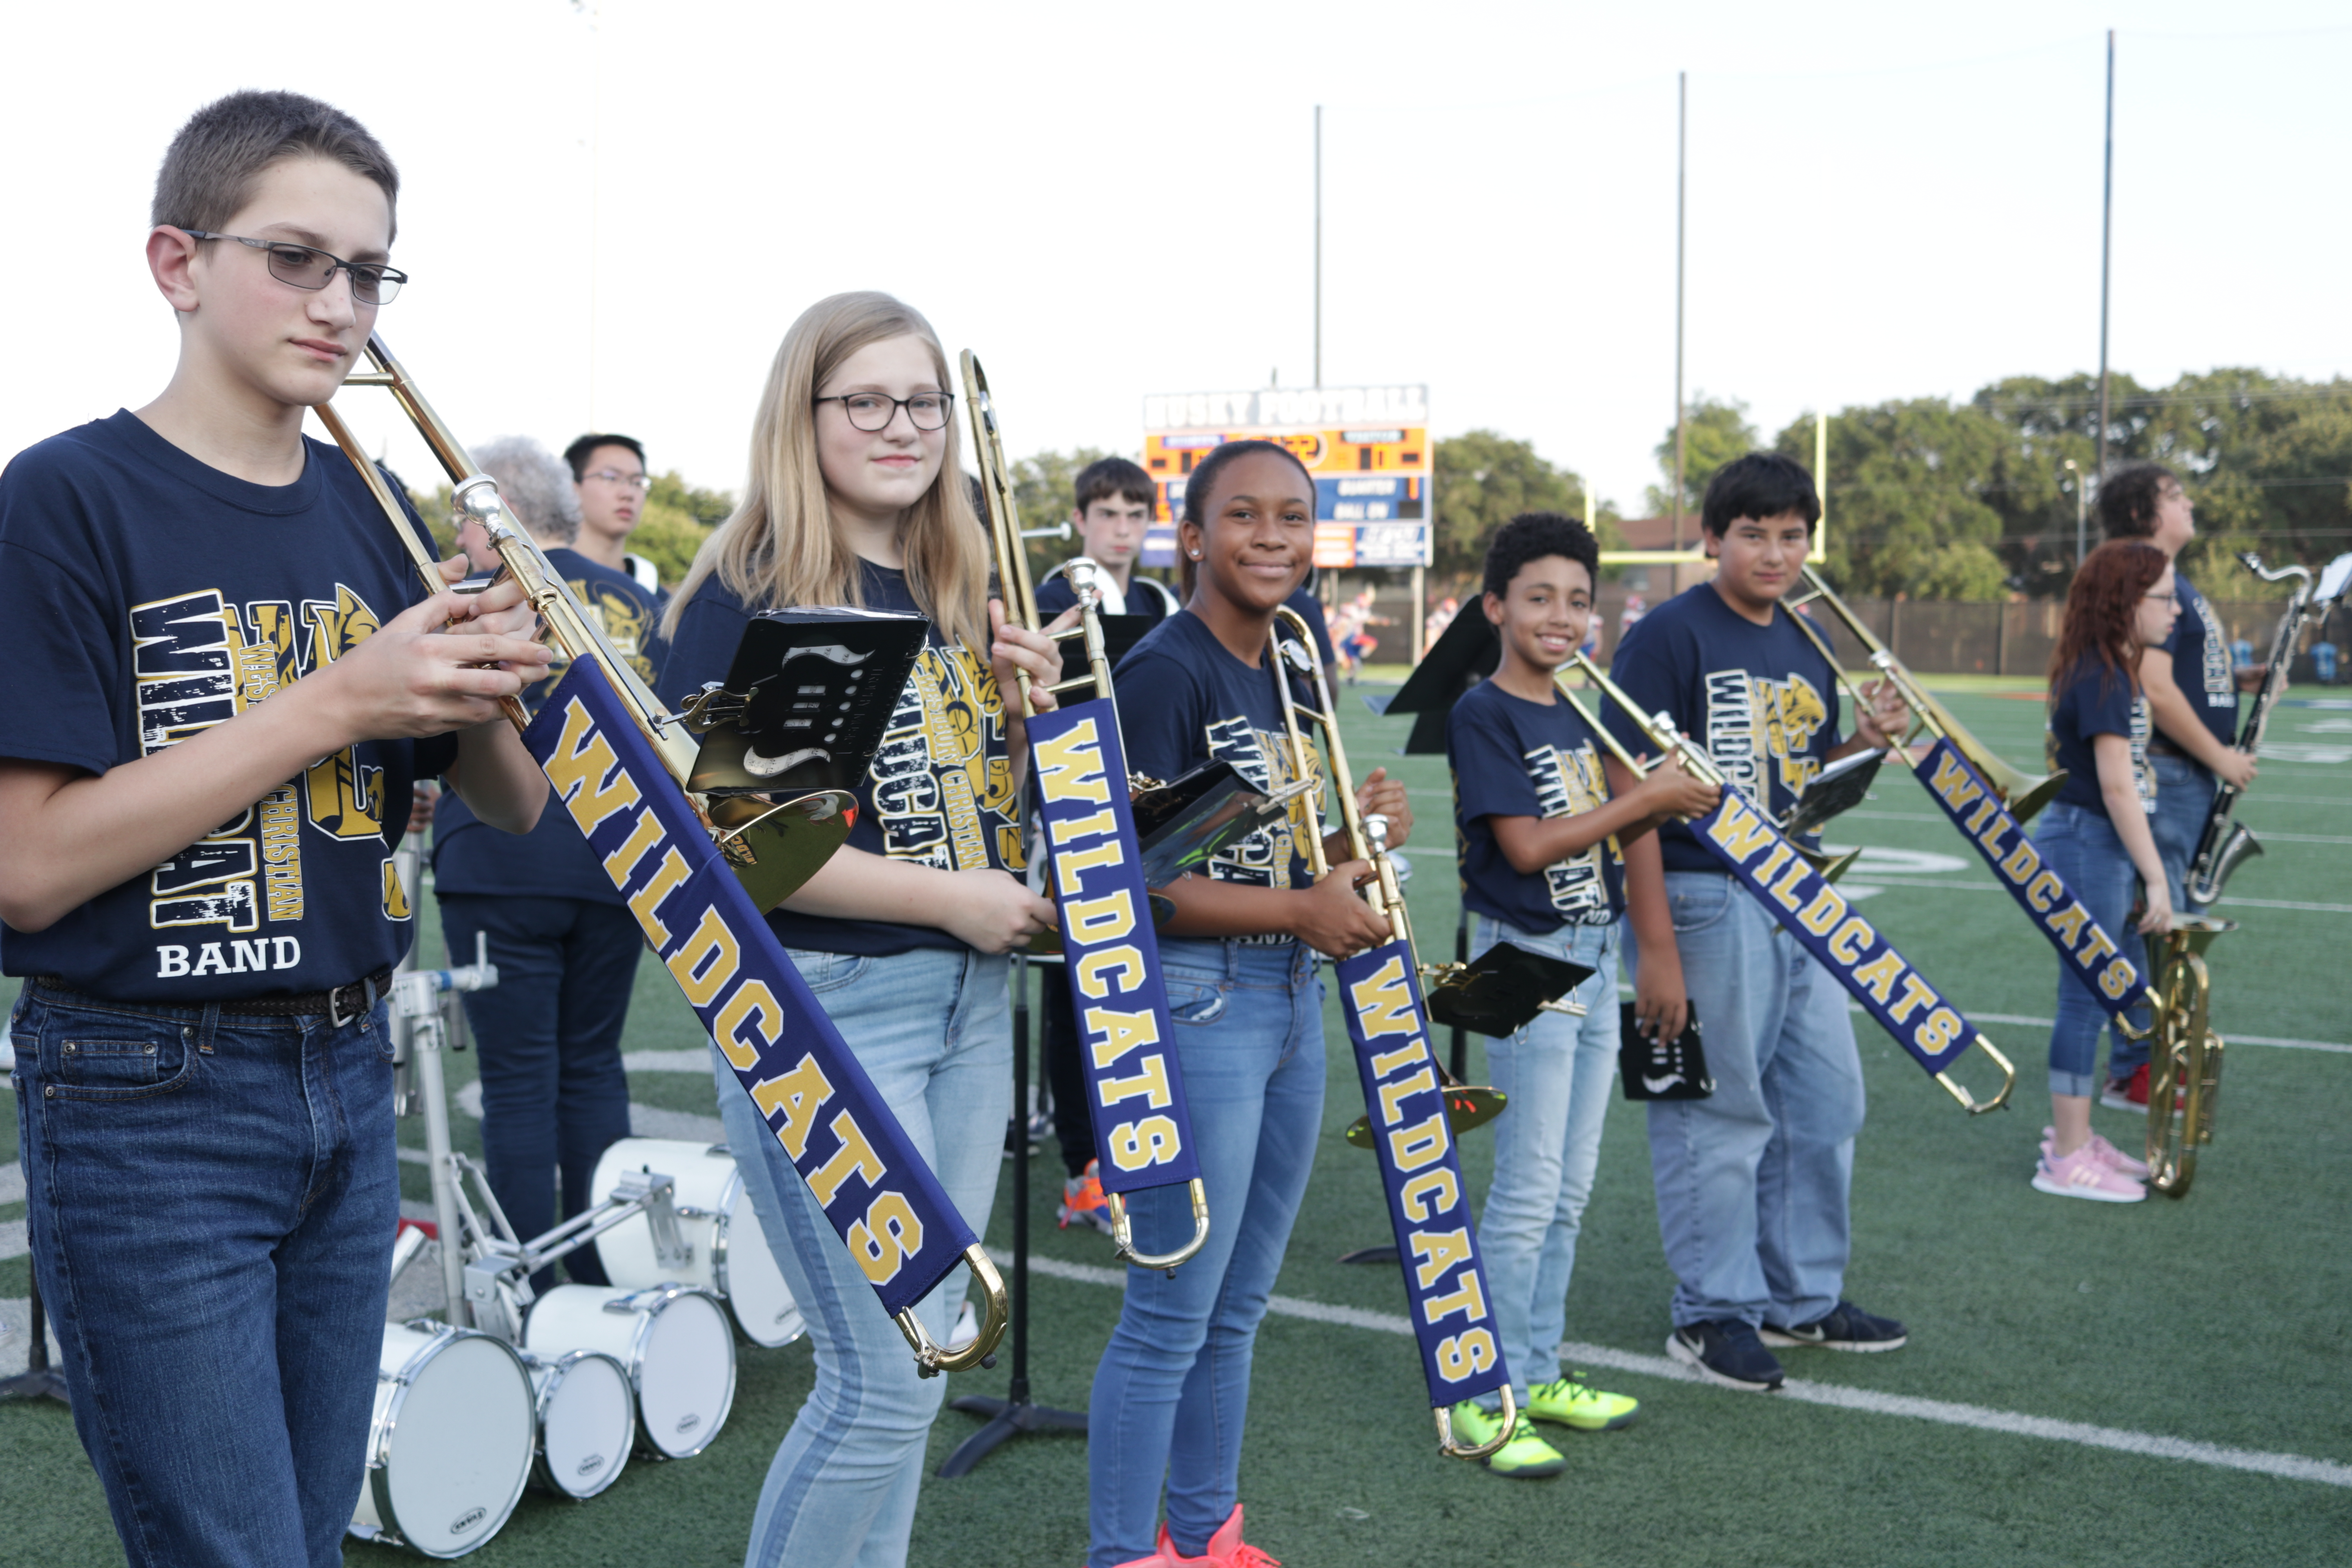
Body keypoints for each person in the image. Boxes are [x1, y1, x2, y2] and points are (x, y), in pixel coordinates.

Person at [0, 91, 551, 1568]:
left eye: (371, 273)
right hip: (146, 1086)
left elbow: (515, 801)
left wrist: (487, 664)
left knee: (308, 1533)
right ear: (176, 263)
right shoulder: (63, 495)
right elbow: (32, 867)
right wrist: (341, 696)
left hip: (346, 1059)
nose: (343, 305)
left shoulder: (375, 506)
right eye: (297, 258)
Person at [654, 291, 1065, 1568]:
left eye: (923, 402)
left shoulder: (957, 577)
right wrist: (958, 902)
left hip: (961, 1010)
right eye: (867, 401)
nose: (903, 427)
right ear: (806, 413)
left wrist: (1026, 713)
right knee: (882, 1377)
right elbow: (752, 847)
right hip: (829, 1009)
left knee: (925, 1363)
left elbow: (972, 808)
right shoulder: (754, 582)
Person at [1088, 439, 1411, 1568]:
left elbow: (1242, 856)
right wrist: (1297, 910)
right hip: (1201, 1004)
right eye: (1244, 516)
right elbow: (1127, 889)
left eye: (1294, 518)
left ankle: (1206, 1536)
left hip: (1285, 997)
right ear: (1192, 538)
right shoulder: (1168, 671)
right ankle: (1128, 1556)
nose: (1273, 538)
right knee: (1171, 1311)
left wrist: (1344, 850)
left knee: (1237, 1306)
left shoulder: (1285, 661)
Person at [1604, 452, 1912, 1395]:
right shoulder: (1665, 635)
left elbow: (1806, 788)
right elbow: (1631, 792)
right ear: (1712, 539)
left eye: (1792, 535)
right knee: (1717, 1115)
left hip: (1795, 891)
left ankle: (1800, 1295)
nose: (1775, 552)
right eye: (1754, 534)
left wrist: (1863, 747)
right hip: (1703, 897)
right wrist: (1653, 944)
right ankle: (1712, 1312)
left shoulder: (1810, 636)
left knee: (1828, 1103)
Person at [1443, 512, 1719, 1476]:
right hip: (1516, 952)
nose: (1560, 617)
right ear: (1495, 607)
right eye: (1538, 597)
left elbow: (1632, 838)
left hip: (1594, 953)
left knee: (1569, 1187)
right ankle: (1482, 1393)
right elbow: (1526, 846)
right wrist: (1648, 795)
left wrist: (1657, 952)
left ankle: (1537, 1365)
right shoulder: (1485, 711)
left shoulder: (1589, 706)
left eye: (1576, 602)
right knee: (1524, 1188)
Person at [432, 435, 665, 1289]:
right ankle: (606, 1279)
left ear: (505, 517)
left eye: (465, 527)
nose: (459, 546)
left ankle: (535, 1295)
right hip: (617, 861)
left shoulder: (478, 588)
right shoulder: (636, 599)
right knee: (594, 1065)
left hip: (501, 857)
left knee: (520, 1082)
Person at [2091, 465, 2257, 1112]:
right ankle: (2139, 1070)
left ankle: (2145, 1063)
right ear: (2145, 513)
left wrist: (2236, 678)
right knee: (2156, 925)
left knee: (2162, 920)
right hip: (2171, 772)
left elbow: (2175, 671)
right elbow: (2154, 688)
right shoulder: (2148, 581)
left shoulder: (2166, 581)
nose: (2190, 503)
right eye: (2176, 496)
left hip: (2182, 775)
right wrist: (2222, 755)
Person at [2030, 538, 2176, 1201]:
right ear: (2126, 603)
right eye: (2164, 598)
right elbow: (2117, 789)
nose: (2177, 610)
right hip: (2089, 839)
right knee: (2085, 997)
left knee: (2094, 993)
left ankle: (2079, 1137)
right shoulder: (2104, 675)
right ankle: (2065, 1156)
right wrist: (2156, 876)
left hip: (2092, 838)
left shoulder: (2106, 667)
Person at [1036, 455, 1181, 626]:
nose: (1123, 530)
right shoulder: (1048, 602)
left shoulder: (1161, 604)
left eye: (1135, 516)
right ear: (1081, 520)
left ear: (1148, 520)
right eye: (1108, 515)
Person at [564, 430, 664, 595]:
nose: (628, 494)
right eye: (611, 478)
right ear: (572, 488)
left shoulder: (657, 600)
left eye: (637, 483)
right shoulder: (542, 579)